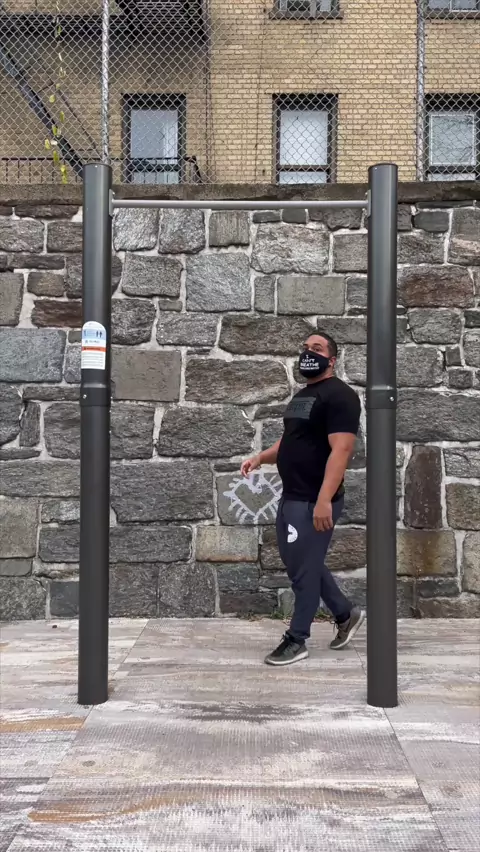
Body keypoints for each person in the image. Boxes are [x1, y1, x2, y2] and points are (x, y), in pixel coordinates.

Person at [241, 332, 365, 666]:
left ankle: (297, 639)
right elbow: (290, 440)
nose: (309, 352)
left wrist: (325, 499)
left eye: (317, 348)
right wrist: (260, 458)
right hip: (292, 496)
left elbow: (342, 450)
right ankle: (345, 614)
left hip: (314, 500)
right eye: (306, 348)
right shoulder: (302, 395)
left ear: (332, 359)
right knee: (303, 564)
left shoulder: (341, 396)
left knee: (303, 573)